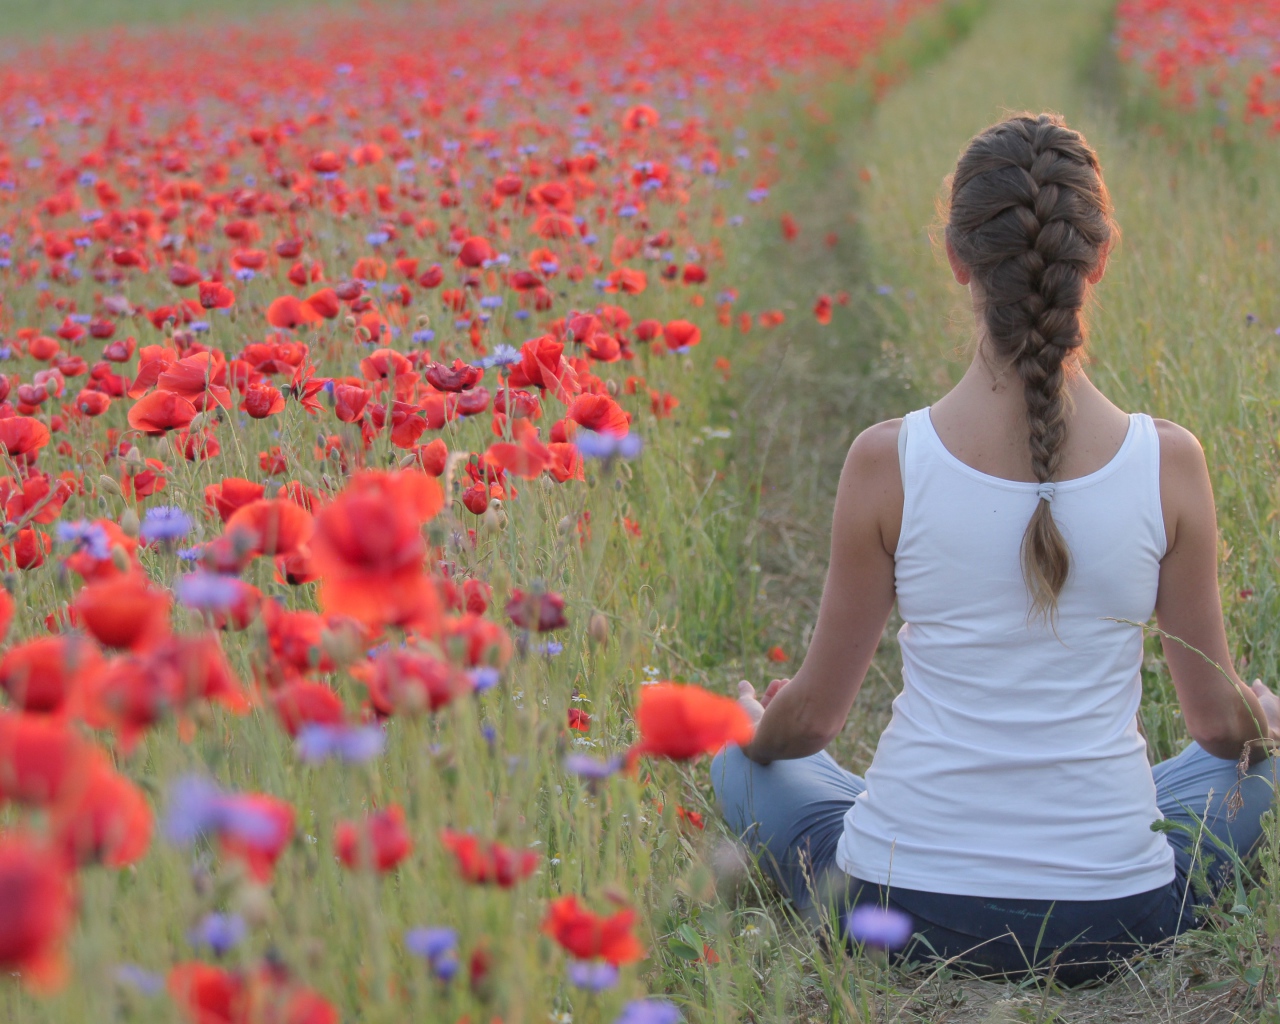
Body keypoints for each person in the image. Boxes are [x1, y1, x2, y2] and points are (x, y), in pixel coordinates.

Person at [710, 112, 1280, 985]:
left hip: (897, 908)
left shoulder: (886, 460)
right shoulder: (1169, 462)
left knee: (739, 761)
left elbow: (815, 720)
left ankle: (875, 810)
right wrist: (1262, 723)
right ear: (1097, 259)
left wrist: (754, 728)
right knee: (1250, 769)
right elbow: (1213, 725)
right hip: (1117, 918)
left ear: (956, 260)